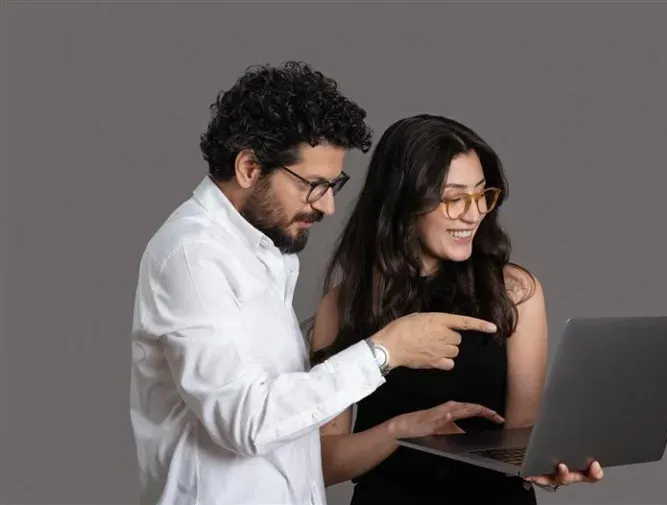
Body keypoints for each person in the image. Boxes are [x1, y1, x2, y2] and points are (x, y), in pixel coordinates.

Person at [129, 63, 501, 505]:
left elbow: (289, 425)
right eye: (315, 185)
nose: (327, 206)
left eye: (334, 184)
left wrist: (401, 428)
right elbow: (247, 423)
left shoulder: (263, 249)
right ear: (249, 167)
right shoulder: (192, 256)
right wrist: (385, 351)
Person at [309, 114, 605, 505]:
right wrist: (402, 429)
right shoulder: (344, 305)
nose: (474, 213)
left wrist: (554, 464)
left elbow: (521, 442)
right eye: (454, 198)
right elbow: (323, 464)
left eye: (483, 194)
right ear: (403, 202)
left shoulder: (514, 291)